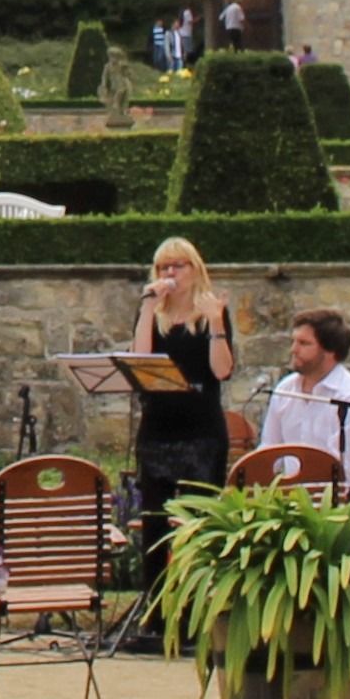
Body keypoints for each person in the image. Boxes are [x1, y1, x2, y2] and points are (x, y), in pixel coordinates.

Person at [125, 234, 238, 591]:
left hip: (200, 432)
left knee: (197, 523)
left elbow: (222, 371)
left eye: (178, 265)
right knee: (155, 524)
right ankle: (155, 611)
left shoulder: (210, 314)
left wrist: (217, 325)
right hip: (158, 429)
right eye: (163, 266)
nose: (171, 273)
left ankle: (196, 609)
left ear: (194, 269)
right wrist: (146, 308)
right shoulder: (154, 316)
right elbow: (139, 364)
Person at [255, 307, 350, 491]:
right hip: (298, 497)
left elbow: (345, 471)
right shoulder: (286, 389)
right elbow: (270, 448)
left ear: (330, 351)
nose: (294, 350)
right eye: (294, 342)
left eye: (304, 343)